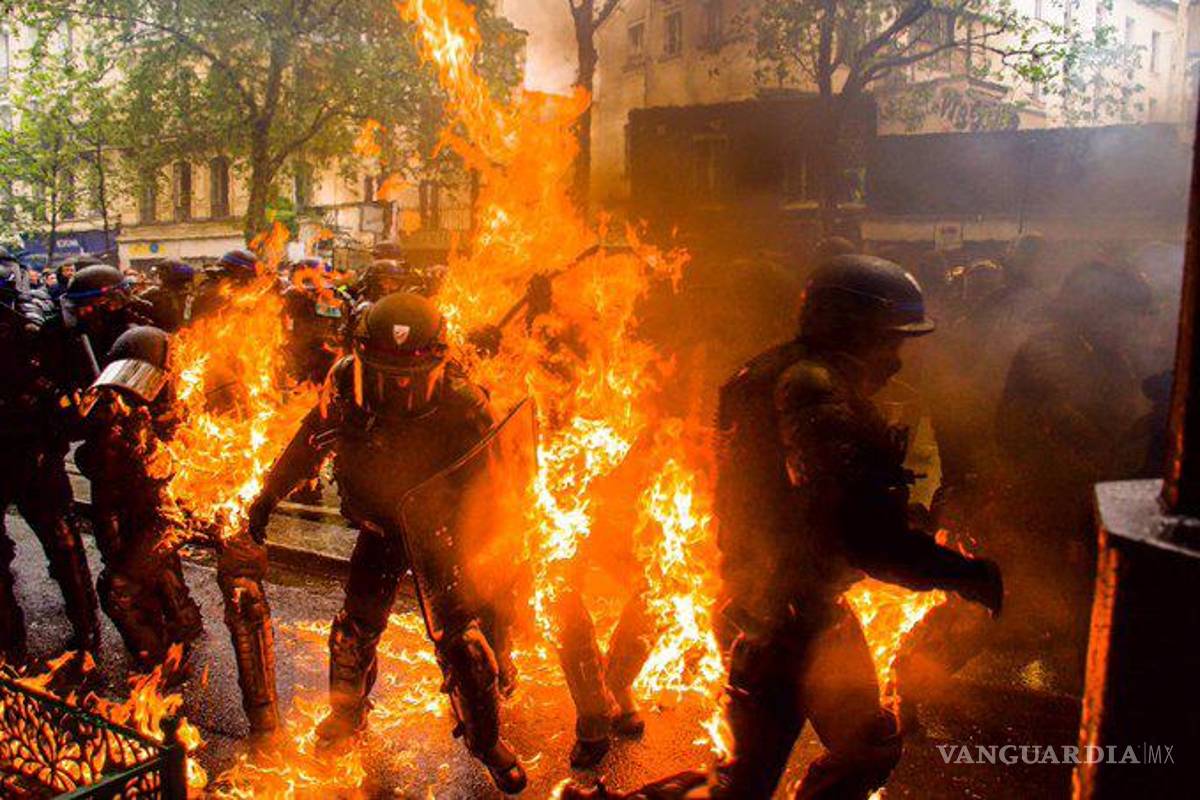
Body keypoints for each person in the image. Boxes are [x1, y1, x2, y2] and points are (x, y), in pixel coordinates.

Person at [564, 255, 1004, 800]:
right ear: (852, 329)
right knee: (742, 785)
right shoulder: (811, 389)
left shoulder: (779, 372)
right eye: (888, 341)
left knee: (865, 746)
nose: (895, 360)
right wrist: (962, 573)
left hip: (807, 609)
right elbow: (861, 532)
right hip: (777, 621)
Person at [241, 293, 527, 792]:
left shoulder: (466, 405)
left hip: (444, 536)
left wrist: (491, 551)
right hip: (379, 525)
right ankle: (346, 716)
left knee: (467, 647)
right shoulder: (345, 384)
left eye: (411, 373)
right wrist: (268, 494)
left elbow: (498, 489)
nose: (399, 384)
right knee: (352, 634)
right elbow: (309, 440)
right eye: (386, 371)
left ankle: (487, 741)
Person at [75, 326, 204, 670]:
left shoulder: (172, 412)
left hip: (162, 516)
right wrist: (103, 429)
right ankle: (180, 629)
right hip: (123, 509)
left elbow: (170, 467)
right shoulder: (108, 406)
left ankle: (158, 665)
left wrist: (139, 441)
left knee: (120, 587)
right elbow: (88, 462)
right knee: (143, 571)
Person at [0, 261, 101, 662]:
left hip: (32, 450)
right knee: (59, 542)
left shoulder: (33, 329)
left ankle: (83, 632)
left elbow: (72, 392)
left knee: (62, 541)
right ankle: (12, 641)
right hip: (27, 449)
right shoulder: (37, 323)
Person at [141, 259, 199, 332]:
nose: (159, 277)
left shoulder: (154, 294)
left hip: (161, 334)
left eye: (160, 274)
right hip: (187, 335)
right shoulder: (195, 296)